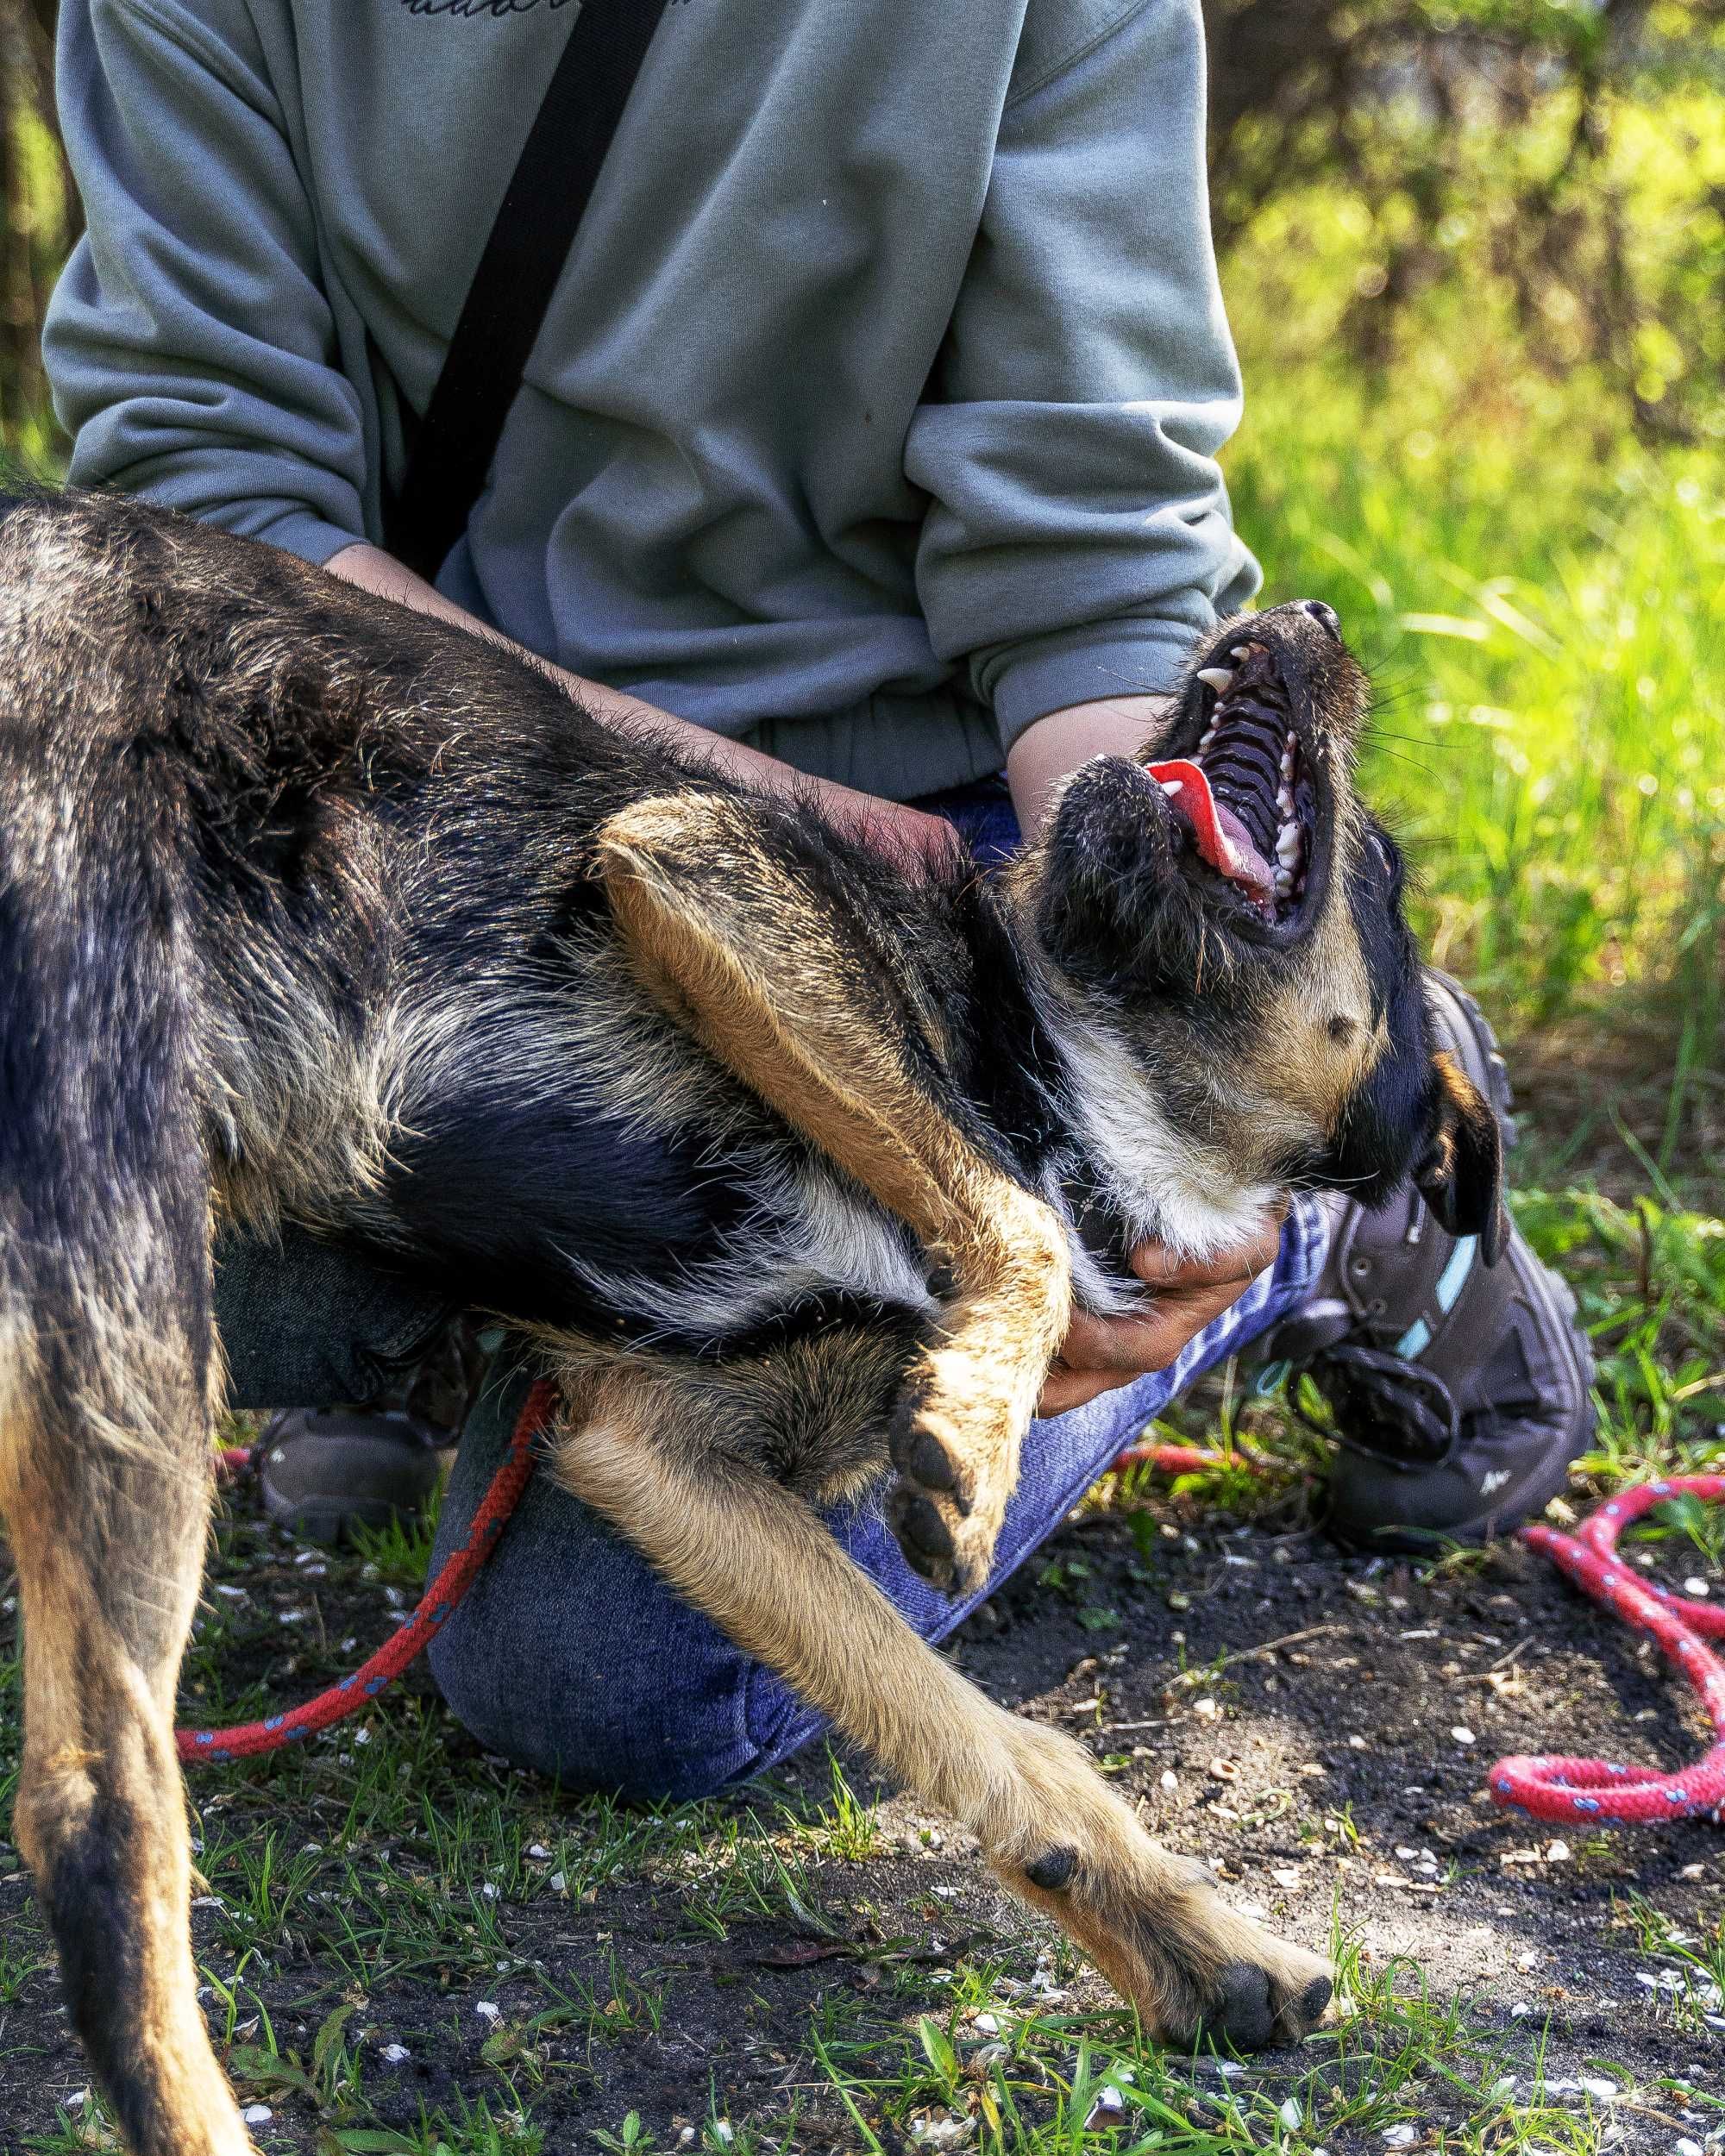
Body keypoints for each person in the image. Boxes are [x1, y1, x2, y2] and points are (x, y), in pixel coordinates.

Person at [43, 0, 1591, 1796]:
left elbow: (1088, 558)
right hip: (421, 781)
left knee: (600, 1677)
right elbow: (211, 507)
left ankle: (1315, 1192)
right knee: (126, 1209)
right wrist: (782, 859)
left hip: (948, 827)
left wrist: (1128, 1114)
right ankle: (457, 1322)